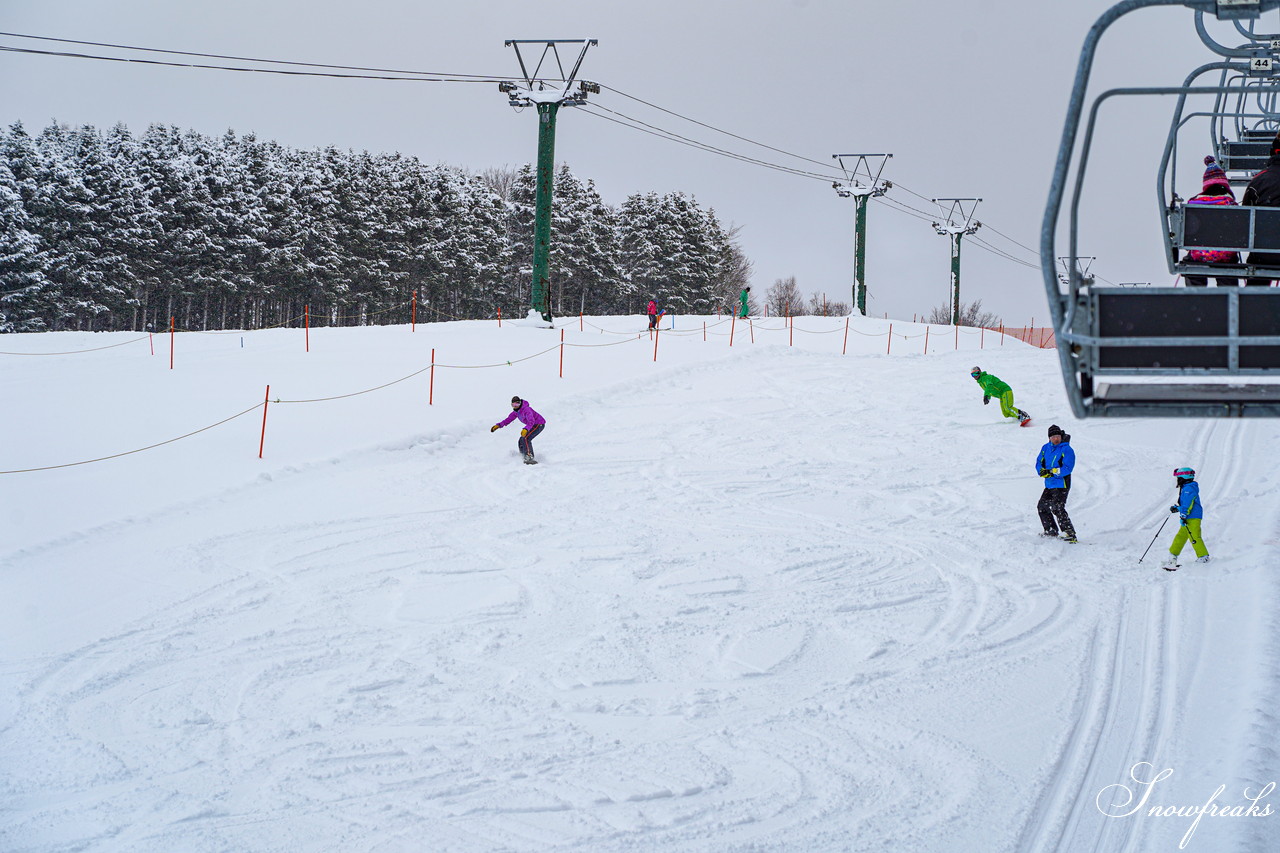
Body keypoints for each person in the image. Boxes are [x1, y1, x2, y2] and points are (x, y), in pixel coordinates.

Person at [1183, 156, 1240, 287]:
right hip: (1225, 256)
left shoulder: (1194, 203)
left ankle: (1196, 298)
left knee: (1191, 263)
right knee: (1229, 261)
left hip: (1199, 255)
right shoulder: (1230, 204)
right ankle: (1228, 296)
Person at [1241, 131, 1280, 286]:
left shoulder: (1259, 181)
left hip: (1265, 254)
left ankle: (1253, 305)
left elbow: (1243, 218)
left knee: (1257, 262)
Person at [1035, 424, 1077, 543]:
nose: (1056, 439)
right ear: (1049, 438)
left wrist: (1053, 472)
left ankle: (1069, 533)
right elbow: (1039, 462)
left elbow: (1068, 468)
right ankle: (1051, 530)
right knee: (1042, 507)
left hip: (1062, 483)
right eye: (1053, 437)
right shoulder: (1045, 448)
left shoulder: (1066, 449)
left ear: (1061, 436)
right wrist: (1041, 471)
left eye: (1057, 436)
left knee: (1057, 507)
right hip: (1050, 484)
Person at [1162, 467, 1209, 570]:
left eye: (1178, 477)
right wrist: (1178, 508)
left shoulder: (1188, 489)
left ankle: (1203, 557)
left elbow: (1188, 504)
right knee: (1181, 537)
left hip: (1192, 517)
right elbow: (1186, 504)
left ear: (1183, 477)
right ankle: (1172, 557)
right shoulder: (1187, 487)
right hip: (1189, 516)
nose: (1177, 479)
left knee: (1194, 536)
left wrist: (1183, 514)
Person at [490, 395, 546, 464]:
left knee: (526, 438)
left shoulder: (526, 410)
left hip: (538, 424)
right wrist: (498, 425)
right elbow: (508, 420)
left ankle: (529, 457)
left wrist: (526, 429)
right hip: (532, 425)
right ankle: (523, 455)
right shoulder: (516, 412)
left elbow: (531, 421)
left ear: (520, 403)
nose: (515, 406)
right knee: (521, 439)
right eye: (513, 404)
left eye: (517, 403)